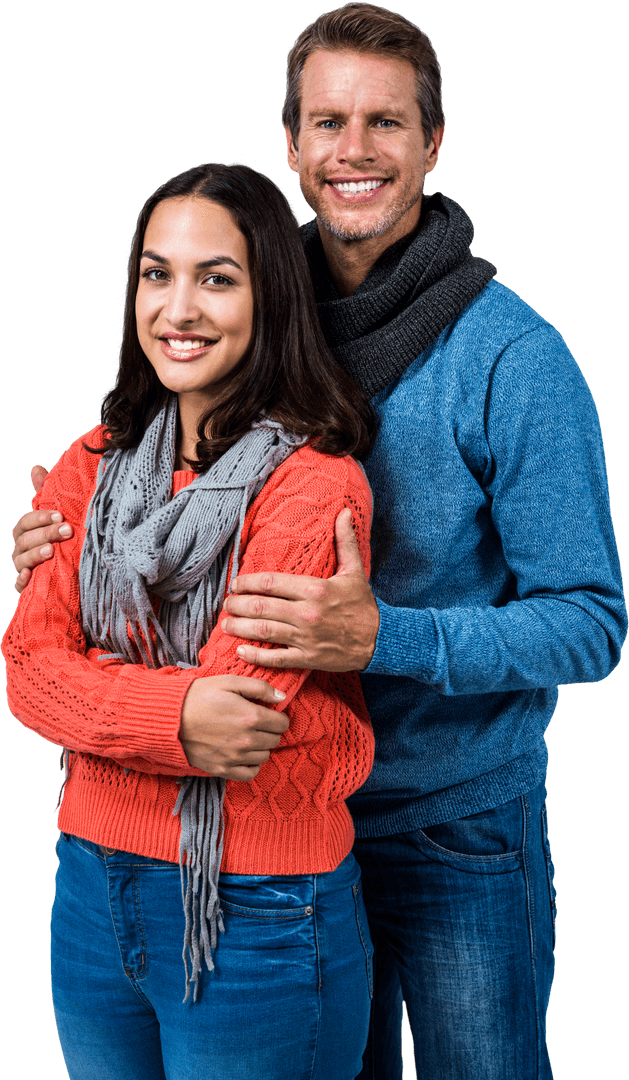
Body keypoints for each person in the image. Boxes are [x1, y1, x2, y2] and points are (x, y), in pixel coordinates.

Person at [11, 5, 627, 1079]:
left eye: (385, 122)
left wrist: (383, 636)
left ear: (431, 145)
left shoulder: (512, 359)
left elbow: (589, 623)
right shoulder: (241, 302)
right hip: (261, 839)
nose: (354, 150)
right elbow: (141, 515)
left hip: (450, 829)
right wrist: (86, 537)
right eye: (326, 121)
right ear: (290, 144)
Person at [3, 161, 379, 1080]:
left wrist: (91, 688)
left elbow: (239, 714)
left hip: (258, 909)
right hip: (90, 893)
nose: (179, 308)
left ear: (271, 299)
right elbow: (23, 666)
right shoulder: (92, 461)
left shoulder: (314, 484)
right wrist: (173, 717)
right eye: (155, 273)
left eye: (216, 278)